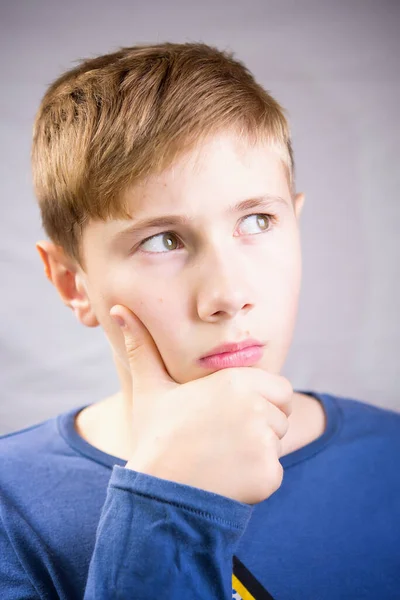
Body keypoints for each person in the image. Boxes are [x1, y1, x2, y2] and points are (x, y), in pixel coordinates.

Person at [0, 41, 399, 600]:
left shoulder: (392, 461)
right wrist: (166, 501)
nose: (228, 295)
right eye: (162, 241)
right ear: (73, 282)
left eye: (258, 221)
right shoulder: (11, 508)